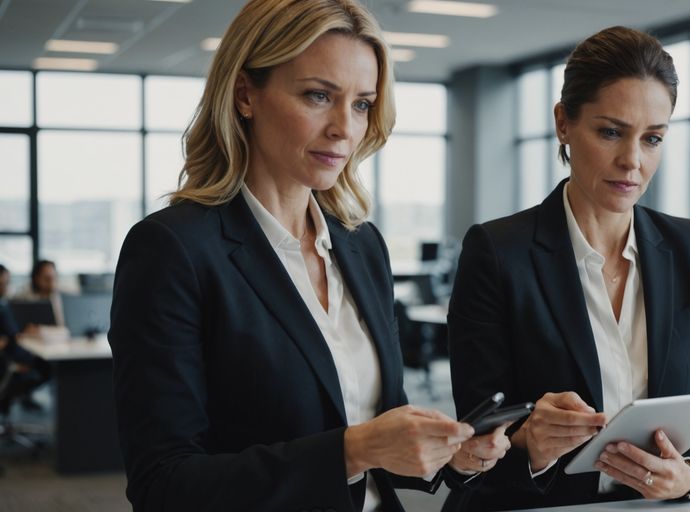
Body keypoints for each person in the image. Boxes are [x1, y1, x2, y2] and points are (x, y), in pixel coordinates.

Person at [109, 1, 507, 510]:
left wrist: (449, 454)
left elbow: (379, 428)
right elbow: (163, 484)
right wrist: (352, 450)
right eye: (319, 96)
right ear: (245, 94)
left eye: (361, 104)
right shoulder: (173, 250)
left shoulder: (362, 246)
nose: (344, 128)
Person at [444, 26, 690, 510]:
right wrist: (530, 444)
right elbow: (474, 437)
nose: (632, 161)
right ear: (564, 123)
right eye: (610, 132)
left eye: (652, 138)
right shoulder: (497, 252)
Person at [1, 264, 52, 412]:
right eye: (4, 283)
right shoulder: (3, 307)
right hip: (9, 359)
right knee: (47, 366)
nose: (6, 287)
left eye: (7, 283)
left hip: (14, 353)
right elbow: (12, 336)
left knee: (45, 364)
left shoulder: (4, 304)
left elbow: (12, 334)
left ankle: (10, 400)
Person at [15, 260, 64, 326]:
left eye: (53, 278)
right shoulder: (22, 298)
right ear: (36, 278)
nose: (51, 283)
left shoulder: (61, 298)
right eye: (47, 278)